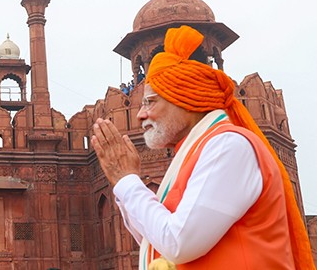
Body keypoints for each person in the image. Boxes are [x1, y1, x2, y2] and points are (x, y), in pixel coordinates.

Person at [91, 25, 313, 269]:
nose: (140, 114)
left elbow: (178, 242)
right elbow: (156, 241)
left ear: (185, 97)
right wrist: (124, 184)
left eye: (150, 102)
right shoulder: (194, 153)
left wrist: (128, 181)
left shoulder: (228, 146)